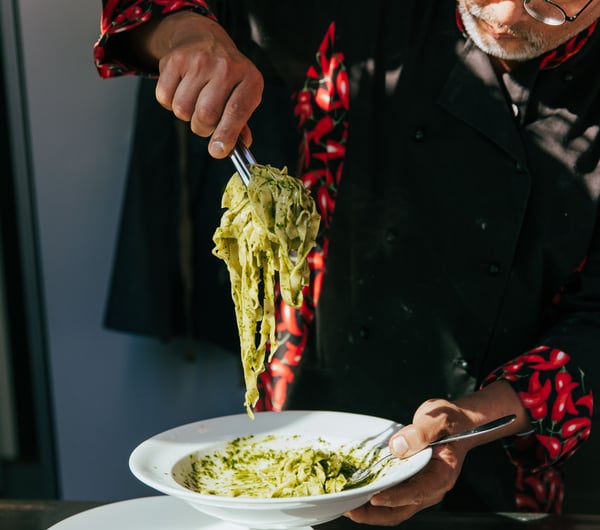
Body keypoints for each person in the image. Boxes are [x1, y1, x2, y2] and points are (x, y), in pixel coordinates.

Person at [94, 0, 598, 524]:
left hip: (502, 453)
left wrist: (468, 421)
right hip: (302, 427)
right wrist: (186, 33)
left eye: (550, 0)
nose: (507, 13)